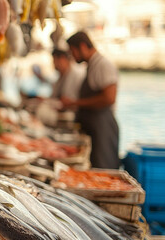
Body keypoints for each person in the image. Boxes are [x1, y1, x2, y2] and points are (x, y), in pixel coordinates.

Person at [62, 31, 120, 169]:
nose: (72, 56)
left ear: (82, 46)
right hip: (94, 127)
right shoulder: (92, 65)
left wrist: (75, 103)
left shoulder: (102, 65)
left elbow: (109, 98)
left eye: (72, 51)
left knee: (104, 168)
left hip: (102, 128)